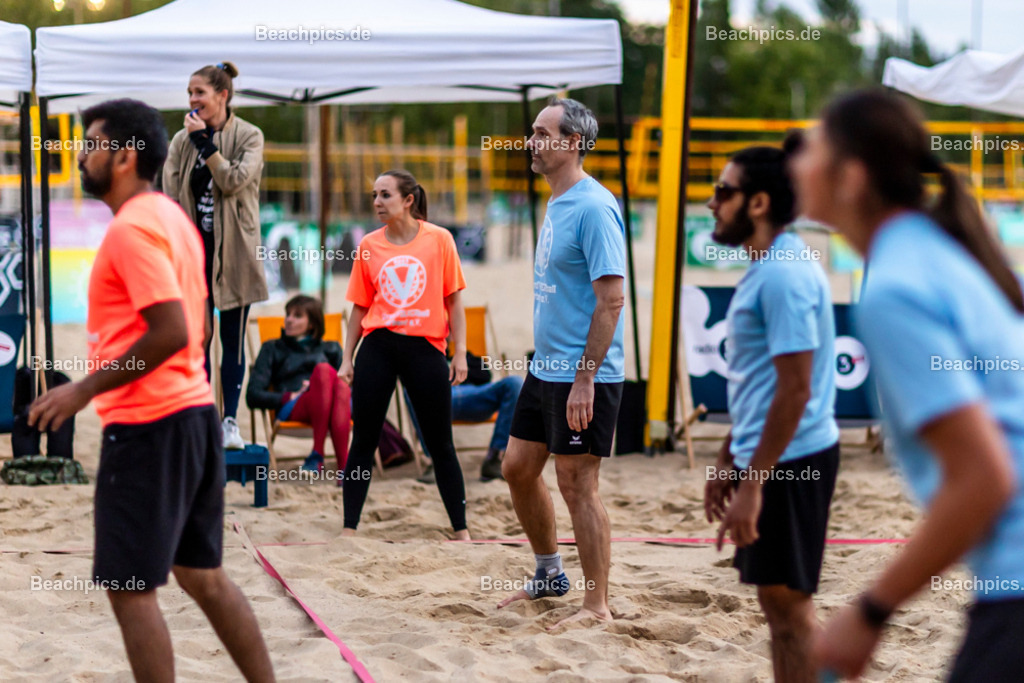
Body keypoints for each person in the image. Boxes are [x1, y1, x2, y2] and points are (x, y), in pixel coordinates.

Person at [29, 99, 273, 682]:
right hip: (193, 417)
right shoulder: (171, 217)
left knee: (130, 587)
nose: (80, 156)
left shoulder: (133, 228)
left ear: (124, 157)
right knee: (204, 577)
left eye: (91, 145)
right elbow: (195, 328)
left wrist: (82, 390)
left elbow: (172, 330)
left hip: (149, 427)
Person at [791, 88, 1024, 682]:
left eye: (813, 148)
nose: (797, 162)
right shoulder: (943, 253)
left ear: (851, 178)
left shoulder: (895, 287)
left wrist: (870, 611)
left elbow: (985, 477)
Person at [702, 143, 840, 683]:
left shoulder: (784, 274)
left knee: (791, 611)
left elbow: (795, 390)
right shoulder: (771, 265)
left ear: (758, 203)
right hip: (775, 455)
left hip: (792, 459)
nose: (712, 203)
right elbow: (762, 384)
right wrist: (729, 455)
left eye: (723, 191)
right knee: (778, 609)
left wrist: (754, 483)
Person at [497, 98, 625, 631]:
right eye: (532, 132)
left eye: (542, 133)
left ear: (573, 143)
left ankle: (597, 606)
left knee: (577, 483)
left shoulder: (594, 207)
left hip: (583, 375)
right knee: (517, 468)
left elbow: (611, 300)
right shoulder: (558, 200)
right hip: (546, 367)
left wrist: (585, 378)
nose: (531, 141)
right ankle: (550, 573)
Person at [340, 170, 471, 540]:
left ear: (408, 200)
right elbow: (359, 307)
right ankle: (349, 528)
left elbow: (454, 301)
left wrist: (460, 353)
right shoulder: (369, 244)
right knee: (363, 441)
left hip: (425, 348)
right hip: (378, 346)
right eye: (374, 195)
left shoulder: (440, 239)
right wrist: (347, 357)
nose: (377, 202)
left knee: (440, 443)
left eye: (385, 195)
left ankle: (461, 530)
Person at [163, 61, 269, 452]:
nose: (192, 100)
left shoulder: (249, 136)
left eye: (200, 92)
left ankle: (230, 422)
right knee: (198, 339)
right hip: (194, 253)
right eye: (189, 93)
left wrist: (206, 145)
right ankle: (203, 418)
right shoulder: (181, 140)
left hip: (236, 252)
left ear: (222, 95)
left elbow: (233, 180)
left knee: (232, 339)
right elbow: (171, 193)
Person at [246, 294, 349, 478]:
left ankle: (327, 463)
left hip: (335, 407)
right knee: (323, 371)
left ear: (312, 324)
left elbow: (350, 386)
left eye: (297, 315)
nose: (289, 320)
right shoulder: (272, 348)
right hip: (294, 407)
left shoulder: (331, 348)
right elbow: (252, 395)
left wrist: (319, 385)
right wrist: (289, 396)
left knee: (338, 384)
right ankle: (335, 463)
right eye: (288, 314)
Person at [408, 352, 524, 483]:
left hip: (475, 396)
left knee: (515, 383)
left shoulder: (465, 355)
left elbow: (485, 376)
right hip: (437, 398)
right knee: (411, 387)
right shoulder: (421, 356)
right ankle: (436, 462)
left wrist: (462, 361)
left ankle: (496, 458)